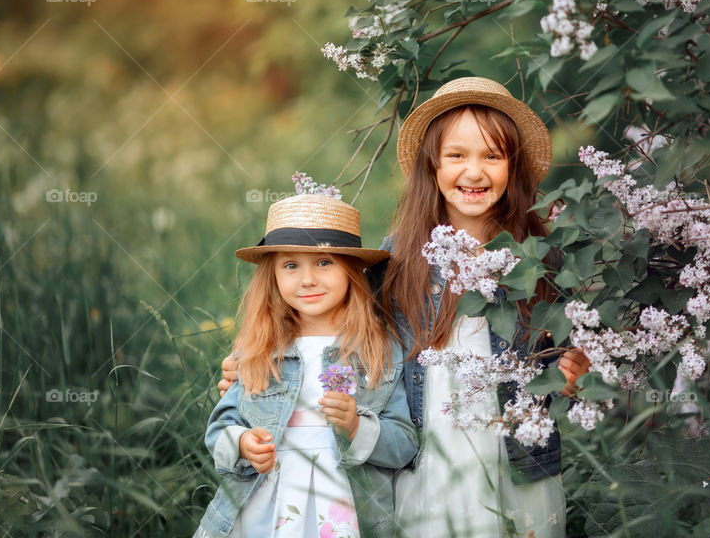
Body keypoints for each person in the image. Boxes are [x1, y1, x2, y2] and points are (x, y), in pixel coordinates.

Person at [217, 77, 590, 537]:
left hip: (515, 451)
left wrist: (572, 376)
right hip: (428, 445)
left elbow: (561, 351)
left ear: (514, 168)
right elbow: (342, 328)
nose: (474, 172)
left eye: (492, 156)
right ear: (432, 166)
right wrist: (259, 362)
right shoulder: (399, 258)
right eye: (456, 155)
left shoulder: (539, 258)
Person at [195, 193, 417, 538]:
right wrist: (242, 443)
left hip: (344, 503)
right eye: (291, 265)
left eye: (324, 262)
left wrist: (357, 426)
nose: (308, 279)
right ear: (273, 275)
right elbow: (220, 427)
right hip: (269, 501)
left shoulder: (379, 349)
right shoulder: (260, 348)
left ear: (351, 269)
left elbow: (404, 443)